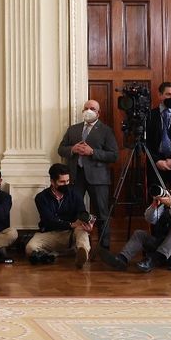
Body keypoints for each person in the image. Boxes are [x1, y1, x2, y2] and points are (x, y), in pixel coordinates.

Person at [101, 179, 171, 272]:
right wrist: (154, 205)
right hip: (165, 251)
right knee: (140, 234)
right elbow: (149, 219)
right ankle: (121, 259)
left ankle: (152, 261)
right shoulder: (166, 206)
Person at [57, 100, 118, 249]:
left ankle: (104, 246)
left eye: (92, 108)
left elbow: (114, 155)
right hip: (76, 176)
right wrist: (73, 149)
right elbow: (61, 149)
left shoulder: (105, 130)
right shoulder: (73, 129)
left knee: (102, 212)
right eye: (86, 108)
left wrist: (93, 152)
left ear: (98, 113)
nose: (88, 110)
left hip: (98, 178)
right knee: (75, 210)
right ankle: (77, 244)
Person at [25, 163, 94, 267]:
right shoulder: (41, 197)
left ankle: (82, 254)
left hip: (71, 234)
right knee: (30, 248)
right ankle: (60, 253)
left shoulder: (75, 194)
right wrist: (71, 224)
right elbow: (49, 221)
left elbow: (81, 213)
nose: (66, 184)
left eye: (67, 181)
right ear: (52, 182)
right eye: (62, 182)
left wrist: (87, 224)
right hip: (50, 233)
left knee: (82, 230)